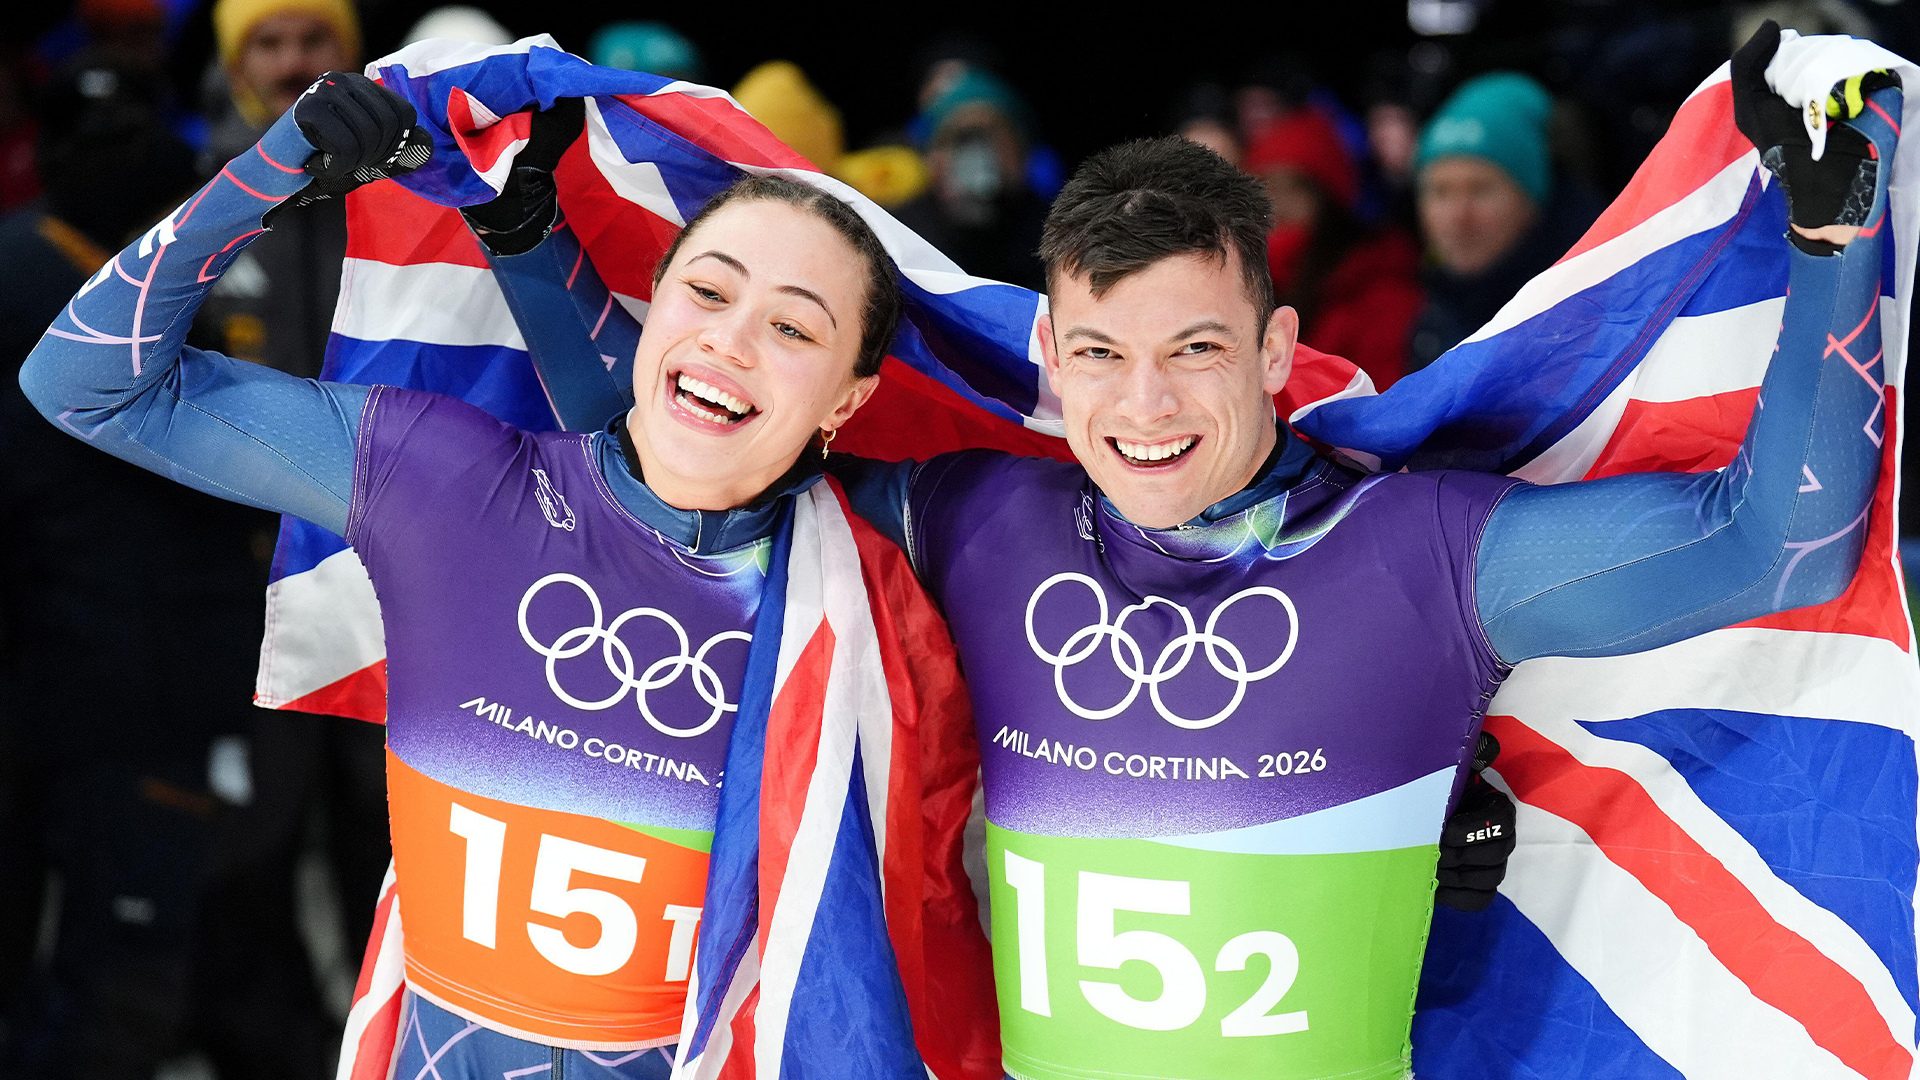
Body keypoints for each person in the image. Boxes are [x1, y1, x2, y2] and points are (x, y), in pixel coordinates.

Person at [489, 24, 1894, 1080]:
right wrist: (523, 238)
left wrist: (1836, 233)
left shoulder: (1424, 557)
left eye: (1195, 352)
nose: (1143, 407)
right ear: (1051, 356)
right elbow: (685, 464)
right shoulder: (980, 518)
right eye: (1099, 355)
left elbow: (1778, 552)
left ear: (1279, 351)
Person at [19, 73, 993, 1080]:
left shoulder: (883, 582)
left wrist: (526, 241)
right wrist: (266, 174)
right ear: (654, 300)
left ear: (851, 397)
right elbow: (83, 385)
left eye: (795, 328)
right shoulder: (445, 481)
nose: (732, 339)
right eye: (706, 290)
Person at [1407, 72, 1602, 372]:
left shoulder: (1591, 312)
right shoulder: (1432, 313)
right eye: (1440, 192)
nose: (1458, 216)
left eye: (1480, 189)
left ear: (1532, 201)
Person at [1243, 108, 1422, 387]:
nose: (1277, 205)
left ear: (1328, 202)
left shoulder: (1378, 290)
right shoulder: (1242, 283)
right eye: (1265, 189)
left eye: (1294, 188)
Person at [894, 69, 1050, 290]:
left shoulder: (1060, 238)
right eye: (960, 139)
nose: (977, 159)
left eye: (988, 136)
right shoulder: (900, 238)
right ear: (932, 158)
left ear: (1022, 150)